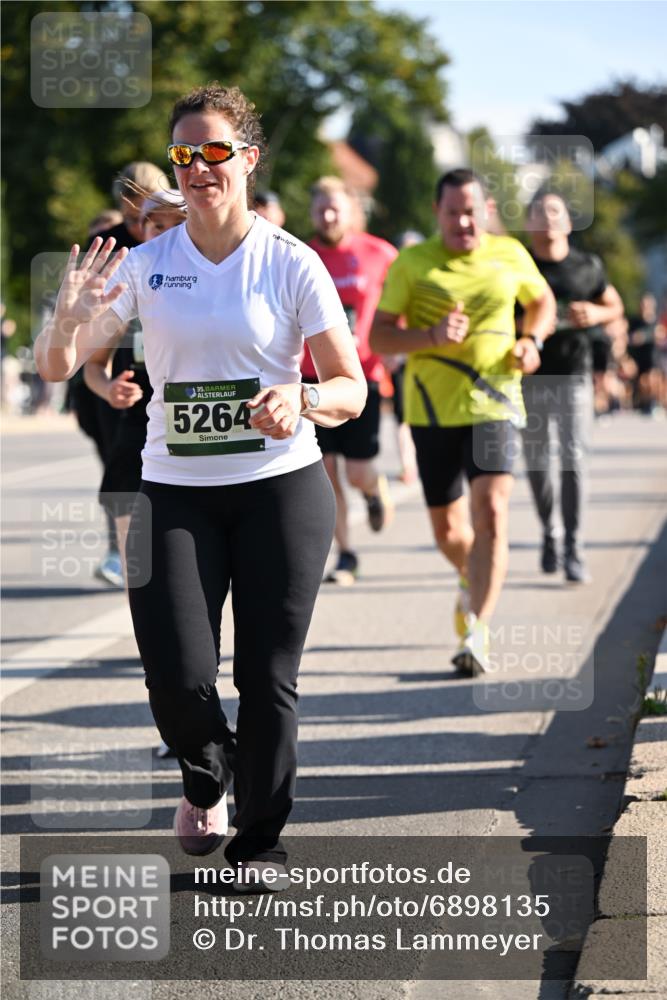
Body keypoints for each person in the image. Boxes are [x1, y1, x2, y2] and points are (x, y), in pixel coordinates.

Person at [35, 82, 366, 889]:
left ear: (247, 159)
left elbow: (350, 386)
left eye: (214, 151)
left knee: (266, 677)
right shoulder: (148, 265)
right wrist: (68, 318)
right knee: (176, 672)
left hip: (279, 489)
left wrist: (303, 398)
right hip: (171, 491)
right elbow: (54, 367)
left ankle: (260, 841)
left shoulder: (291, 263)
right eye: (183, 154)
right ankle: (204, 770)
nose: (196, 168)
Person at [370, 168, 556, 675]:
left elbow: (542, 302)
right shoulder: (413, 263)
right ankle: (470, 576)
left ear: (487, 210)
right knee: (451, 532)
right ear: (438, 213)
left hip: (495, 402)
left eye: (471, 211)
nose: (463, 222)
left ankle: (476, 629)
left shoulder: (510, 254)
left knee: (492, 510)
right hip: (432, 411)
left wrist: (531, 341)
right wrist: (429, 336)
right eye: (452, 213)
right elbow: (380, 338)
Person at [522, 191, 624, 582]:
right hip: (529, 377)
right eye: (539, 212)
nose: (547, 218)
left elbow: (613, 305)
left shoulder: (586, 265)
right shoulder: (520, 266)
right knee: (537, 464)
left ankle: (574, 547)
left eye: (555, 211)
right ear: (529, 223)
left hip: (574, 374)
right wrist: (529, 328)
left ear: (567, 221)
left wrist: (596, 312)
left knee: (573, 459)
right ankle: (550, 531)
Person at [303, 176, 398, 585]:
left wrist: (397, 346)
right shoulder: (301, 256)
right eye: (321, 208)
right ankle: (346, 554)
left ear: (350, 211)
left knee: (357, 472)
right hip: (312, 377)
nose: (328, 215)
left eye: (335, 208)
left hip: (363, 376)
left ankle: (374, 490)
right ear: (312, 213)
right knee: (326, 473)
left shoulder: (380, 254)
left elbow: (400, 305)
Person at [628, 293, 660, 416]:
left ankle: (652, 403)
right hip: (639, 356)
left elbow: (659, 335)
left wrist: (645, 337)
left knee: (652, 380)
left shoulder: (655, 322)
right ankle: (645, 403)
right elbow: (628, 336)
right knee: (642, 381)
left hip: (652, 355)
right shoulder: (635, 322)